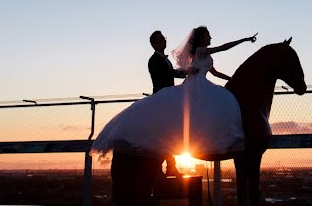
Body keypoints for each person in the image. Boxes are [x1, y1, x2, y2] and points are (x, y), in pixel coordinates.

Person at [91, 26, 257, 162]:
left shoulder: (200, 55)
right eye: (208, 35)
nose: (210, 38)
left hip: (201, 83)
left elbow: (214, 72)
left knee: (209, 109)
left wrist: (233, 78)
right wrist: (244, 40)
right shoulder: (198, 51)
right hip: (191, 86)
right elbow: (222, 48)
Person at [147, 30, 188, 175]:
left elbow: (171, 73)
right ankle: (164, 167)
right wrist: (184, 72)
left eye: (164, 38)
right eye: (160, 39)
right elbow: (165, 75)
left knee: (169, 133)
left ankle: (170, 166)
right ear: (154, 44)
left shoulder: (164, 59)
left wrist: (186, 72)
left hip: (168, 99)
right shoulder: (153, 60)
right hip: (161, 100)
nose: (164, 41)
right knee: (165, 133)